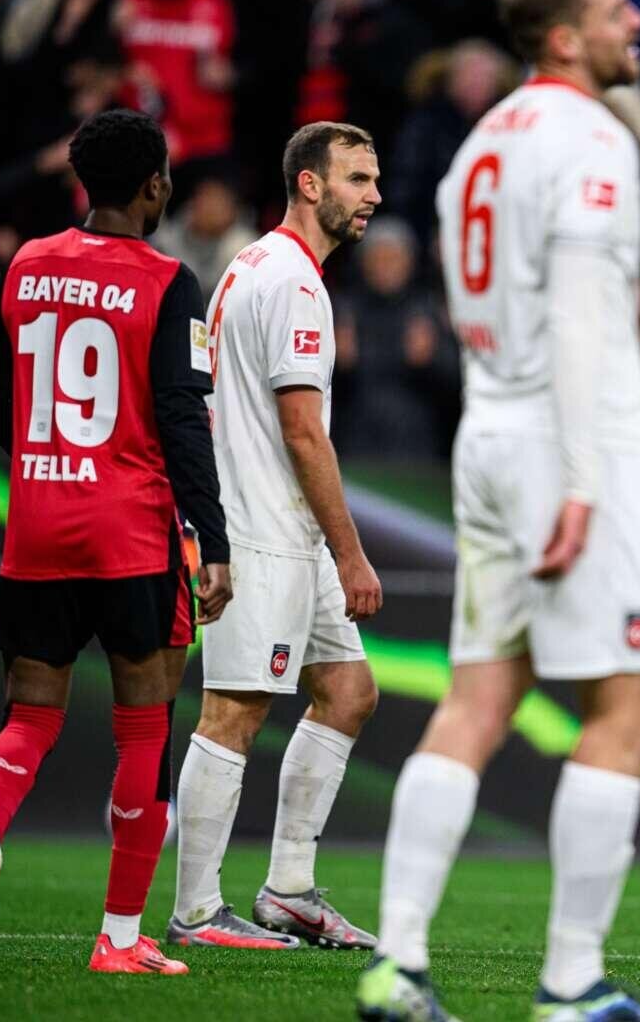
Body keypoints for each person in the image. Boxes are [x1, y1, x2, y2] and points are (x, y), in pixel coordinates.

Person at [356, 0, 640, 1021]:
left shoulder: (478, 145)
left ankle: (397, 964)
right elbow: (591, 319)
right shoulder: (591, 140)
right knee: (625, 703)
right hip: (568, 440)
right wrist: (584, 481)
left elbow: (473, 307)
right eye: (612, 7)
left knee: (479, 695)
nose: (635, 17)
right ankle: (572, 984)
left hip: (488, 432)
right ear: (562, 36)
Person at [0, 107, 232, 976]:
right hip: (131, 534)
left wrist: (35, 453)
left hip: (38, 525)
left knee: (28, 720)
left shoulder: (27, 263)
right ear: (154, 187)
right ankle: (120, 939)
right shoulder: (170, 280)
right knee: (142, 734)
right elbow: (183, 418)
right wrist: (211, 536)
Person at [168, 122, 384, 953]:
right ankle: (194, 912)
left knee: (349, 692)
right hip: (262, 527)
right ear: (309, 184)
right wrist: (352, 550)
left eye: (373, 179)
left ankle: (289, 890)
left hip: (278, 525)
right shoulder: (294, 284)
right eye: (357, 179)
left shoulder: (250, 264)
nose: (372, 196)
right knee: (234, 710)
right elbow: (303, 433)